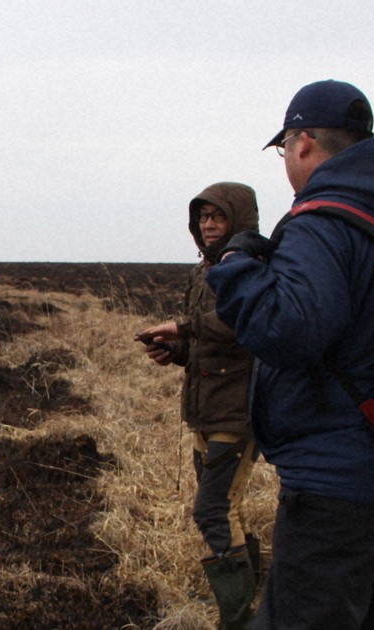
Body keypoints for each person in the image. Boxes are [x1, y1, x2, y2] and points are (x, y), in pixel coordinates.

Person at [206, 80, 374, 629]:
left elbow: (289, 332)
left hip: (337, 487)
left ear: (303, 142)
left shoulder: (324, 221)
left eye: (284, 147)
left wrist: (236, 266)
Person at [136, 182, 261, 629]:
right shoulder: (202, 272)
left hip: (236, 411)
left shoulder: (251, 268)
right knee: (229, 507)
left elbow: (241, 325)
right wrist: (176, 352)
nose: (208, 224)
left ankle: (239, 618)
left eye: (218, 216)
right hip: (204, 409)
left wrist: (183, 327)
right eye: (203, 216)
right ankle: (246, 596)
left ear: (238, 219)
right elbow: (205, 347)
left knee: (212, 510)